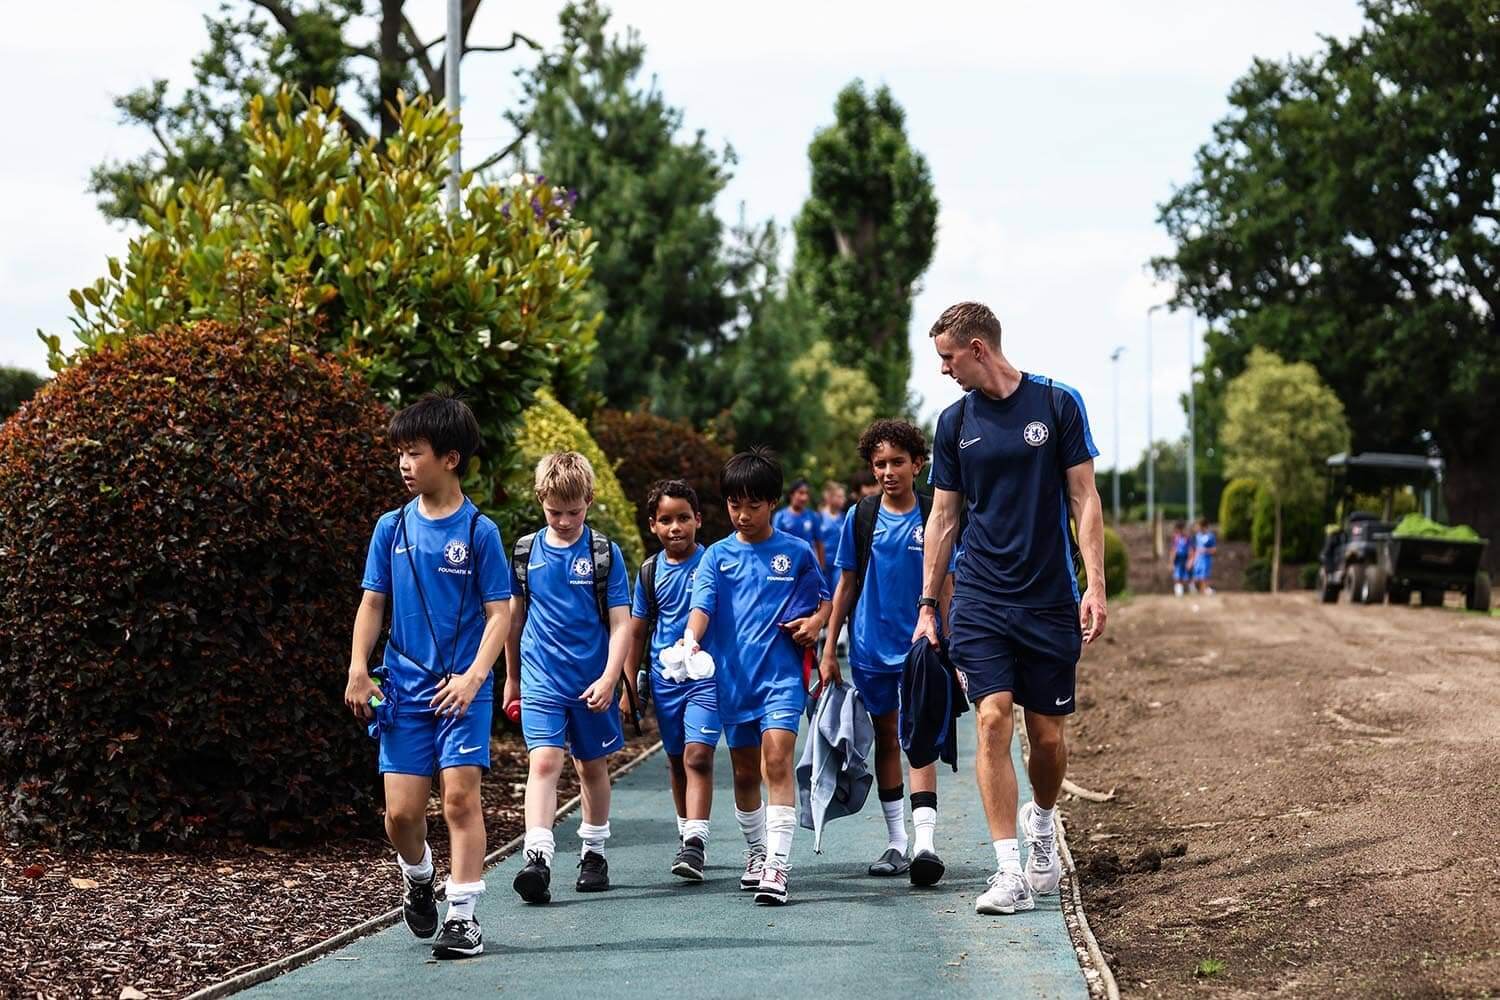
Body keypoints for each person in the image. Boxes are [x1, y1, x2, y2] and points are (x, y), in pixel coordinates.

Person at [912, 302, 1108, 918]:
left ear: (977, 348)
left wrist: (1095, 585)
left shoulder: (1057, 403)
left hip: (1049, 598)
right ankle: (1007, 871)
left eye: (948, 357)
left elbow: (1084, 498)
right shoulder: (954, 423)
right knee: (993, 719)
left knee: (1046, 738)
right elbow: (944, 517)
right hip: (980, 597)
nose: (943, 369)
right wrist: (928, 604)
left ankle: (1042, 822)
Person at [344, 394, 512, 960]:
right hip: (403, 690)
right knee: (400, 816)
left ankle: (463, 916)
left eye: (414, 453)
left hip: (463, 693)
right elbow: (372, 604)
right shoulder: (390, 529)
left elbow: (500, 614)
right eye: (400, 453)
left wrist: (474, 679)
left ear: (450, 458)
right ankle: (418, 875)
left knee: (461, 800)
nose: (404, 464)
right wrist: (358, 668)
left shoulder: (480, 531)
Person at [675, 448, 829, 905]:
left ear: (773, 503)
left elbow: (823, 600)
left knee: (776, 762)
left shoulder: (796, 552)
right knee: (744, 774)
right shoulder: (716, 557)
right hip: (733, 682)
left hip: (781, 679)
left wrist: (816, 623)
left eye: (753, 505)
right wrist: (690, 640)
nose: (743, 515)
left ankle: (777, 867)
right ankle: (758, 851)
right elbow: (702, 606)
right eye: (734, 504)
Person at [819, 420, 955, 885]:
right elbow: (845, 586)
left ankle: (925, 844)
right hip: (869, 649)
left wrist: (952, 643)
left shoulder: (934, 515)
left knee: (919, 738)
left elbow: (948, 584)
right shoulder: (861, 517)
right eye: (880, 464)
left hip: (921, 647)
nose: (888, 471)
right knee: (887, 738)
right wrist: (829, 649)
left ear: (918, 464)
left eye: (898, 462)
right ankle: (897, 841)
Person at [505, 452, 632, 904]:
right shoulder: (525, 552)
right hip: (541, 675)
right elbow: (514, 619)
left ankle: (593, 852)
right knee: (543, 762)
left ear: (589, 501)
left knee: (590, 766)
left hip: (591, 679)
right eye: (554, 512)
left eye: (573, 512)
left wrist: (610, 678)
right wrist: (512, 678)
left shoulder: (603, 554)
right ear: (540, 500)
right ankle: (537, 857)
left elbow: (621, 623)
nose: (563, 521)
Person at [623, 479, 718, 881]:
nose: (675, 527)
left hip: (706, 677)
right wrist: (629, 686)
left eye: (683, 518)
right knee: (677, 759)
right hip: (666, 680)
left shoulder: (713, 562)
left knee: (698, 756)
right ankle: (686, 836)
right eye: (666, 520)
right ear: (653, 525)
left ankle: (696, 841)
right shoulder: (649, 572)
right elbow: (636, 632)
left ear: (698, 520)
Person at [773, 478, 824, 565]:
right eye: (801, 493)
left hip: (807, 564)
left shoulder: (812, 516)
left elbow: (819, 542)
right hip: (787, 563)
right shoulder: (780, 516)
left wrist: (821, 567)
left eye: (807, 493)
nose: (804, 497)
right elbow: (775, 542)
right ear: (791, 494)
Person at [817, 480, 847, 596]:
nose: (843, 499)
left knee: (837, 594)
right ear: (829, 498)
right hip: (823, 565)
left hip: (838, 565)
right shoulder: (818, 517)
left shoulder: (845, 517)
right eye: (839, 496)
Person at [1192, 516, 1217, 595]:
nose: (1197, 528)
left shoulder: (1210, 536)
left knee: (1204, 577)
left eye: (1198, 526)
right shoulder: (1197, 536)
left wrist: (1205, 550)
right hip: (1198, 560)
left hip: (1206, 560)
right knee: (1196, 578)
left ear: (1203, 526)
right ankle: (1202, 591)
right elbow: (1196, 549)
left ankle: (1205, 591)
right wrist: (1193, 559)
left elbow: (1214, 550)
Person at [1170, 520, 1192, 597]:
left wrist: (1190, 560)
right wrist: (1172, 562)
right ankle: (1178, 590)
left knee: (1185, 575)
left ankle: (1183, 589)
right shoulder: (1175, 538)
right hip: (1178, 559)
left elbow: (1190, 549)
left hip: (1185, 558)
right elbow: (1173, 550)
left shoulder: (1187, 538)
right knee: (1177, 574)